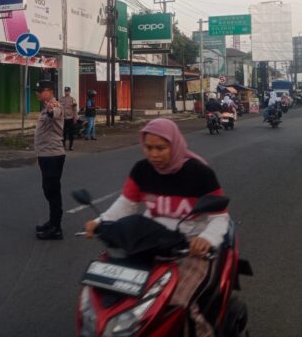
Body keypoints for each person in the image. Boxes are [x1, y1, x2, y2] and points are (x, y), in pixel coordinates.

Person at [84, 118, 229, 337]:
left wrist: (206, 238)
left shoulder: (200, 173)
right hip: (148, 244)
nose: (153, 154)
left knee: (177, 302)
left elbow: (219, 217)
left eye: (161, 148)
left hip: (189, 249)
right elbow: (126, 204)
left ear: (175, 144)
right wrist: (100, 222)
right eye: (148, 148)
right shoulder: (142, 170)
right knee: (110, 292)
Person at [33, 79, 65, 240]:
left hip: (53, 155)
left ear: (49, 91)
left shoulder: (55, 105)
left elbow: (55, 113)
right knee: (48, 189)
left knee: (52, 192)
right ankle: (52, 222)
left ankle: (56, 227)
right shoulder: (45, 107)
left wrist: (51, 110)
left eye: (40, 90)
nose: (37, 93)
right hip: (46, 155)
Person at [59, 86, 78, 151]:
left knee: (71, 133)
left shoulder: (73, 99)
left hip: (70, 118)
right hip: (63, 118)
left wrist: (75, 118)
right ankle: (63, 146)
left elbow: (75, 109)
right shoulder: (61, 99)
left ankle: (71, 146)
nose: (66, 92)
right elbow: (59, 109)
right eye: (65, 91)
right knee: (63, 133)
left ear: (70, 92)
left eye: (67, 91)